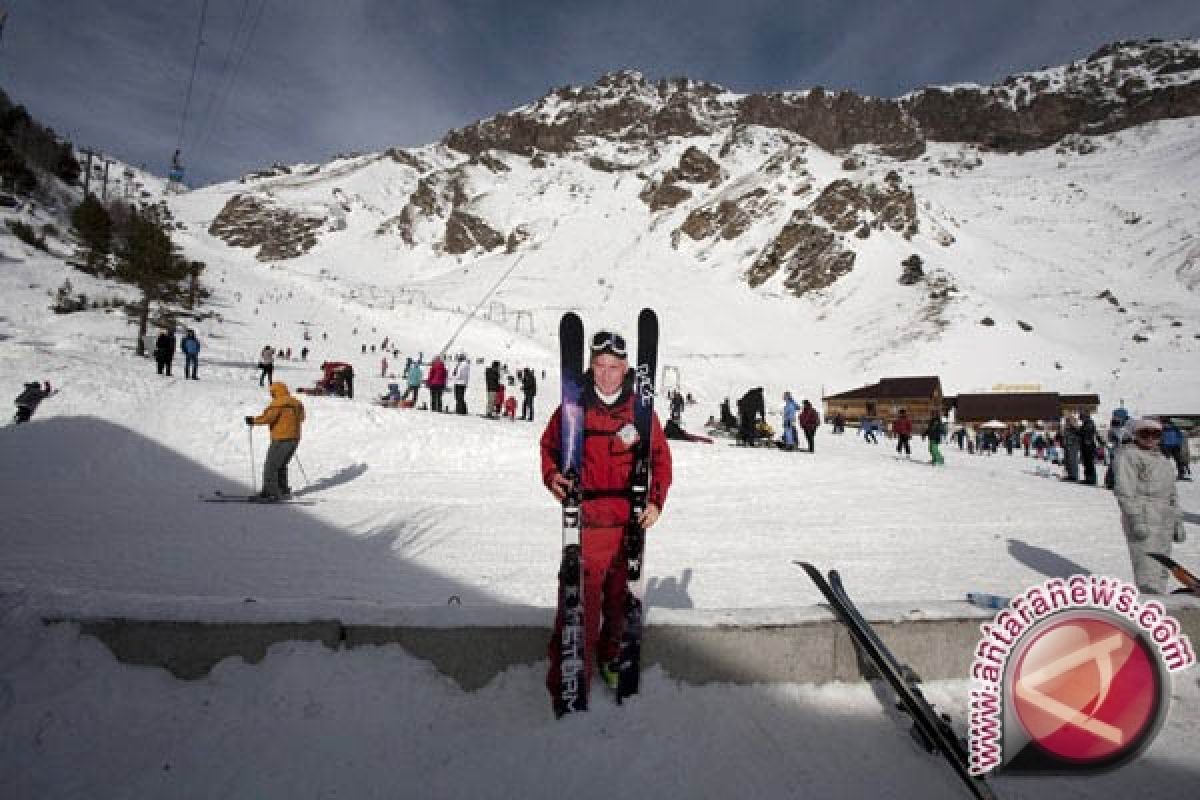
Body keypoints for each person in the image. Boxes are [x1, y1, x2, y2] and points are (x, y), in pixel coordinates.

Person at [539, 327, 673, 707]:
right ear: (591, 366)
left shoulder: (640, 411)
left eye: (614, 366)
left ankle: (614, 660)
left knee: (621, 601)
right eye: (600, 365)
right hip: (587, 522)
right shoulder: (573, 407)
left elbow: (660, 460)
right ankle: (572, 674)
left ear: (626, 367)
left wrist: (655, 502)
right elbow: (550, 448)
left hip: (629, 522)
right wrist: (554, 477)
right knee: (580, 602)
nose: (607, 373)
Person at [1114, 418, 1186, 593]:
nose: (1150, 438)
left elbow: (1171, 493)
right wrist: (1135, 518)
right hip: (1144, 517)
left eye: (1155, 434)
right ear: (1135, 435)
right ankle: (1150, 604)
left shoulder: (1161, 458)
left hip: (1164, 520)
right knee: (1147, 569)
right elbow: (1124, 490)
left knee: (1162, 568)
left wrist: (1177, 521)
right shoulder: (1129, 456)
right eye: (1144, 433)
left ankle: (1159, 604)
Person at [244, 382, 306, 501]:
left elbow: (268, 418)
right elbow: (302, 418)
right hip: (295, 438)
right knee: (282, 465)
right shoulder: (297, 403)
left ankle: (270, 492)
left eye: (272, 393)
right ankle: (283, 489)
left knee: (271, 466)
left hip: (281, 439)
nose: (271, 395)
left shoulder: (278, 403)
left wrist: (253, 420)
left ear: (275, 392)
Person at [1079, 410, 1099, 485]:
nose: (1081, 419)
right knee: (1086, 463)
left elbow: (1085, 433)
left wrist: (1079, 430)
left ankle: (1091, 479)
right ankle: (1088, 478)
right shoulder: (1086, 423)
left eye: (1082, 417)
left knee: (1089, 463)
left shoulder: (1089, 424)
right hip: (1086, 446)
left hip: (1089, 446)